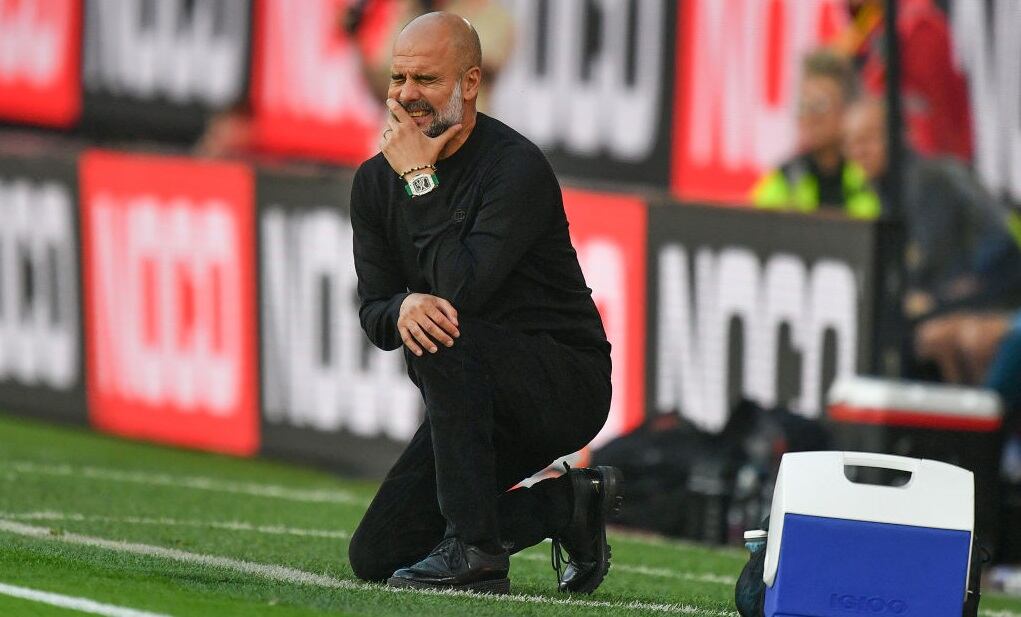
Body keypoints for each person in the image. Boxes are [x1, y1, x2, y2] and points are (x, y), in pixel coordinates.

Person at [346, 12, 621, 595]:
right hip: (467, 398)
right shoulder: (375, 183)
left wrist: (421, 179)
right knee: (377, 554)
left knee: (445, 327)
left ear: (469, 84)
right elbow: (374, 310)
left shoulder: (513, 167)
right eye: (398, 79)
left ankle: (476, 554)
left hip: (561, 381)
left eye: (425, 80)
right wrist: (400, 309)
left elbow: (464, 291)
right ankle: (568, 504)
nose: (406, 96)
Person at [843, 97, 1021, 321]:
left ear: (901, 134)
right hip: (967, 290)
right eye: (850, 143)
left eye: (868, 139)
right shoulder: (887, 190)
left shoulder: (927, 180)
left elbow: (936, 267)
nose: (858, 151)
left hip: (999, 292)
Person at [751, 50, 880, 219]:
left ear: (846, 111)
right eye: (803, 105)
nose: (809, 117)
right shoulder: (786, 179)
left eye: (820, 105)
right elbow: (751, 227)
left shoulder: (869, 177)